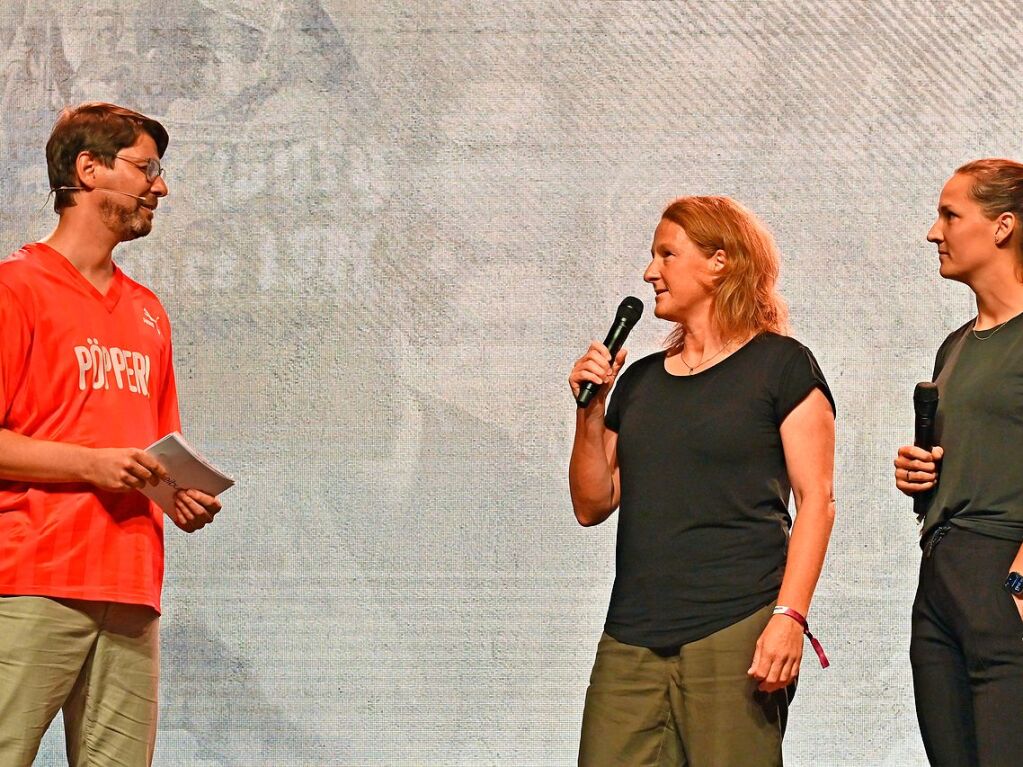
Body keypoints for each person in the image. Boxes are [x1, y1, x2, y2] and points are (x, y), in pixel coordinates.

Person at [568, 196, 836, 767]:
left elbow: (818, 502)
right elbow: (592, 504)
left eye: (667, 254)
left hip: (735, 624)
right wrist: (590, 413)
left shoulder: (782, 366)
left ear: (719, 262)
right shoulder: (639, 382)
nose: (649, 272)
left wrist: (789, 619)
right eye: (652, 257)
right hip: (632, 631)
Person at [0, 102, 223, 766]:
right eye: (146, 168)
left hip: (130, 588)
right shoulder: (17, 290)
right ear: (87, 168)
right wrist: (93, 467)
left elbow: (158, 451)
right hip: (31, 578)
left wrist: (176, 493)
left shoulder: (148, 311)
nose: (160, 185)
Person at [894, 159, 1023, 767]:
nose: (933, 231)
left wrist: (1021, 577)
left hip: (1004, 569)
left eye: (950, 215)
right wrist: (924, 476)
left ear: (1002, 226)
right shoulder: (956, 344)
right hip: (942, 576)